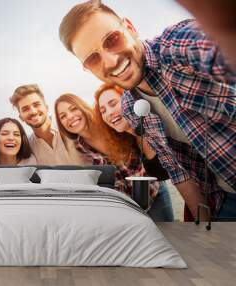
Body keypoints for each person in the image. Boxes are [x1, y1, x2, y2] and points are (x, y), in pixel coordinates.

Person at [58, 0, 236, 220]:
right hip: (225, 198)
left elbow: (212, 49)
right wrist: (203, 227)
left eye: (112, 39)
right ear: (87, 68)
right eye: (93, 59)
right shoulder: (129, 108)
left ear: (130, 28)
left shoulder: (175, 48)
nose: (111, 61)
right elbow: (176, 169)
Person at [55, 93, 171, 221]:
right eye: (63, 116)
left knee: (167, 236)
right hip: (127, 209)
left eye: (73, 109)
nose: (70, 117)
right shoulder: (78, 149)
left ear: (82, 107)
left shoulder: (108, 123)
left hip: (153, 192)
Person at [95, 84, 178, 221]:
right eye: (103, 110)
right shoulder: (131, 141)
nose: (109, 112)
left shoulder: (152, 126)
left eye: (113, 103)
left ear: (128, 100)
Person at [10, 84, 87, 165]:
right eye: (25, 109)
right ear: (21, 117)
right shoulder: (28, 147)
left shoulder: (72, 127)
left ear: (46, 107)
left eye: (36, 105)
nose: (33, 111)